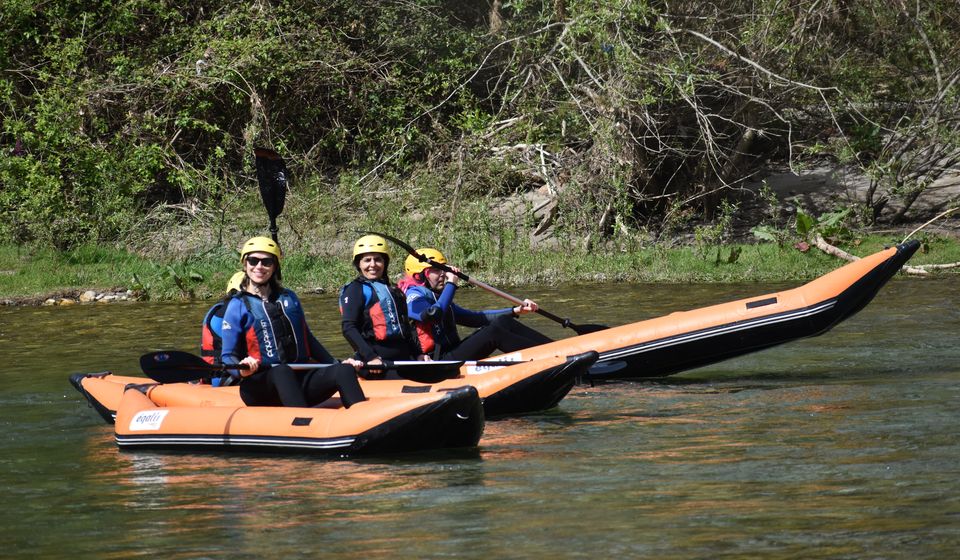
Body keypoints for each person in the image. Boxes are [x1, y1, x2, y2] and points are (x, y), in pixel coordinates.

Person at [220, 236, 367, 408]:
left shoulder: (289, 297)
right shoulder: (237, 305)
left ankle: (367, 422)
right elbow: (227, 356)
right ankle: (302, 422)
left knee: (343, 370)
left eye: (266, 262)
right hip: (260, 385)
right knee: (282, 371)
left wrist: (336, 363)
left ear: (274, 266)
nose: (259, 267)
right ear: (245, 265)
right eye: (253, 261)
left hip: (298, 379)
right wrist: (242, 368)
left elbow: (308, 339)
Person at [398, 248, 553, 361]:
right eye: (437, 270)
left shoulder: (437, 297)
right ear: (419, 276)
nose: (443, 274)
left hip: (453, 351)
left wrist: (515, 310)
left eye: (443, 270)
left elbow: (474, 319)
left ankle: (554, 350)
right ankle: (545, 359)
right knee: (494, 332)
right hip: (439, 360)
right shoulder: (412, 296)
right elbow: (433, 315)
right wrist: (452, 283)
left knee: (503, 322)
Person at [339, 235, 427, 371]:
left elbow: (405, 330)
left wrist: (418, 354)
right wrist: (371, 358)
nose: (373, 265)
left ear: (385, 262)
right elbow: (348, 328)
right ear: (359, 264)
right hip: (376, 362)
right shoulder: (355, 289)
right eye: (367, 260)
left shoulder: (395, 291)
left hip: (404, 360)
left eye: (378, 259)